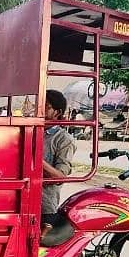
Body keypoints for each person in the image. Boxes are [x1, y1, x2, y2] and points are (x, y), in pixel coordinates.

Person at [42, 89, 76, 226]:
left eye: (47, 107)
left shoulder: (64, 139)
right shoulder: (32, 132)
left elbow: (60, 176)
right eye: (40, 107)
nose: (41, 111)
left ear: (58, 113)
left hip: (44, 205)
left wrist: (38, 160)